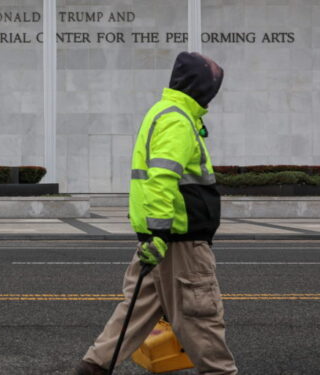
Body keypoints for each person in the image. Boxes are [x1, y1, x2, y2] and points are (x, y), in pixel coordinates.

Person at [74, 52, 238, 375]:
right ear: (199, 86)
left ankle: (93, 366)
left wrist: (155, 236)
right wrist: (161, 234)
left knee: (134, 311)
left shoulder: (163, 112)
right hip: (179, 243)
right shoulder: (178, 120)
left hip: (161, 239)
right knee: (200, 316)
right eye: (211, 83)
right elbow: (162, 179)